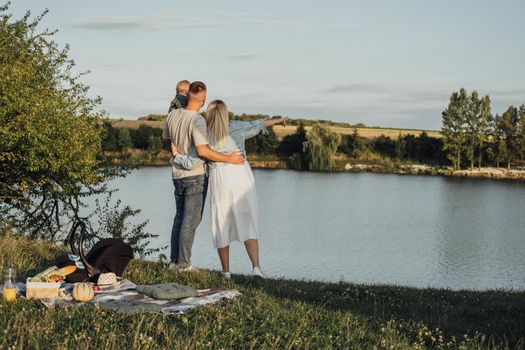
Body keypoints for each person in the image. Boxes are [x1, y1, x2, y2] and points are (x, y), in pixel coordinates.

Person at [171, 100, 287, 278]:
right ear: (225, 113)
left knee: (221, 221)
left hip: (220, 178)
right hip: (241, 175)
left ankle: (226, 271)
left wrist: (177, 156)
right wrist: (278, 120)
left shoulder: (204, 132)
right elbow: (258, 124)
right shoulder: (236, 127)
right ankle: (256, 268)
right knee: (248, 219)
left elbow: (194, 160)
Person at [161, 82, 244, 271]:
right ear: (203, 100)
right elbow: (203, 150)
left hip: (177, 174)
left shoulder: (173, 114)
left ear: (188, 95)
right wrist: (229, 158)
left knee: (180, 217)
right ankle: (183, 264)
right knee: (191, 220)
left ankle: (174, 261)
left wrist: (177, 146)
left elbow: (164, 138)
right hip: (194, 175)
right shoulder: (197, 120)